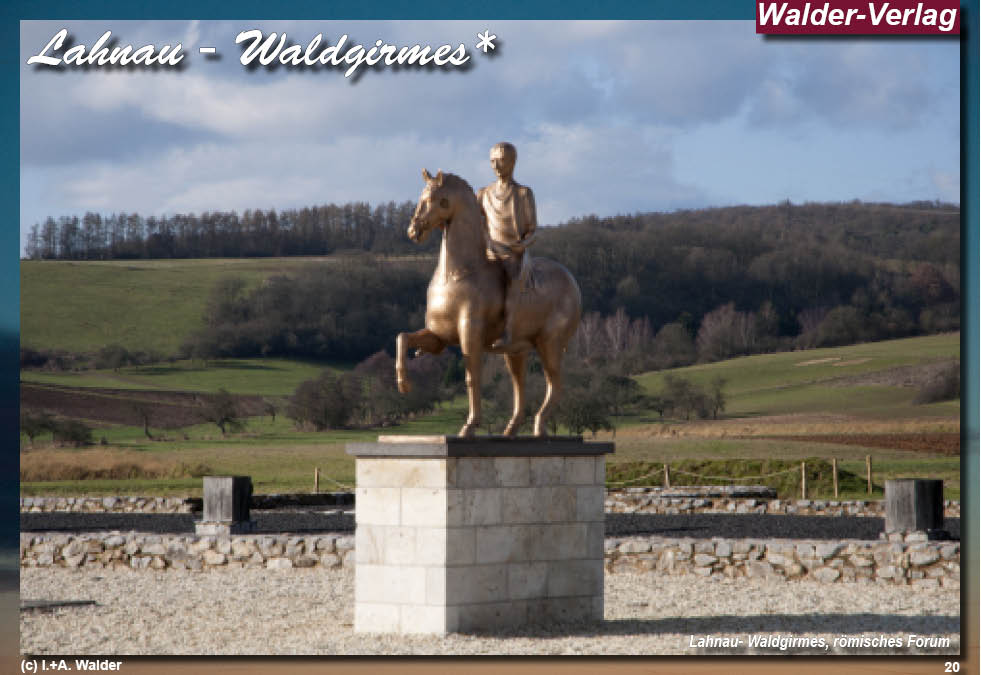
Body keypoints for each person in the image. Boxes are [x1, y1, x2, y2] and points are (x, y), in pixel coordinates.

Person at [476, 142, 537, 350]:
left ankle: (509, 331)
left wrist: (523, 244)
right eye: (492, 161)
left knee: (512, 281)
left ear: (512, 162)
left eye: (500, 160)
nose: (495, 165)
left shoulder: (523, 193)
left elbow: (533, 229)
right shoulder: (483, 194)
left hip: (512, 254)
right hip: (488, 252)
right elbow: (472, 221)